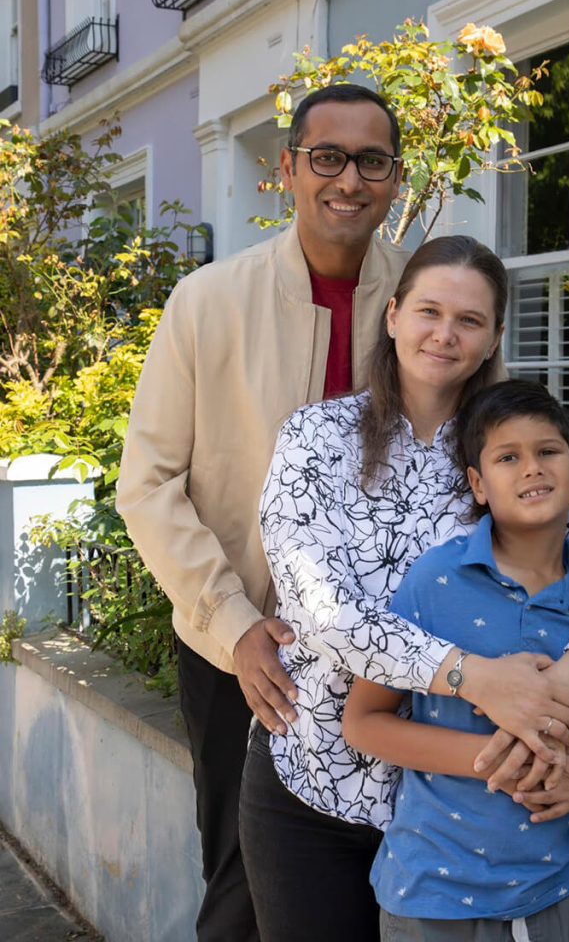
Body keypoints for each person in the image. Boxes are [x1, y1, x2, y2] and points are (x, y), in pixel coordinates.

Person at [241, 235, 569, 942]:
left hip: (479, 812)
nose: (444, 333)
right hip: (315, 783)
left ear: (495, 335)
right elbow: (323, 610)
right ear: (394, 314)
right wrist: (469, 678)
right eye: (429, 311)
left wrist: (567, 677)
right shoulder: (316, 436)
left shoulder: (509, 452)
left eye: (469, 320)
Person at [116, 83, 411, 941]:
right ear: (286, 170)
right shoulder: (206, 303)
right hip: (242, 651)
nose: (347, 179)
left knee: (388, 875)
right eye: (326, 156)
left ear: (395, 178)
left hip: (392, 656)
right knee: (245, 883)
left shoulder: (424, 303)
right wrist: (234, 624)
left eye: (371, 160)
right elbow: (149, 481)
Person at [343, 379, 569, 942]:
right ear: (477, 483)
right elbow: (363, 721)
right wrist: (494, 758)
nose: (532, 468)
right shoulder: (433, 581)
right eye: (508, 457)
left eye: (548, 452)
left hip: (560, 890)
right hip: (432, 893)